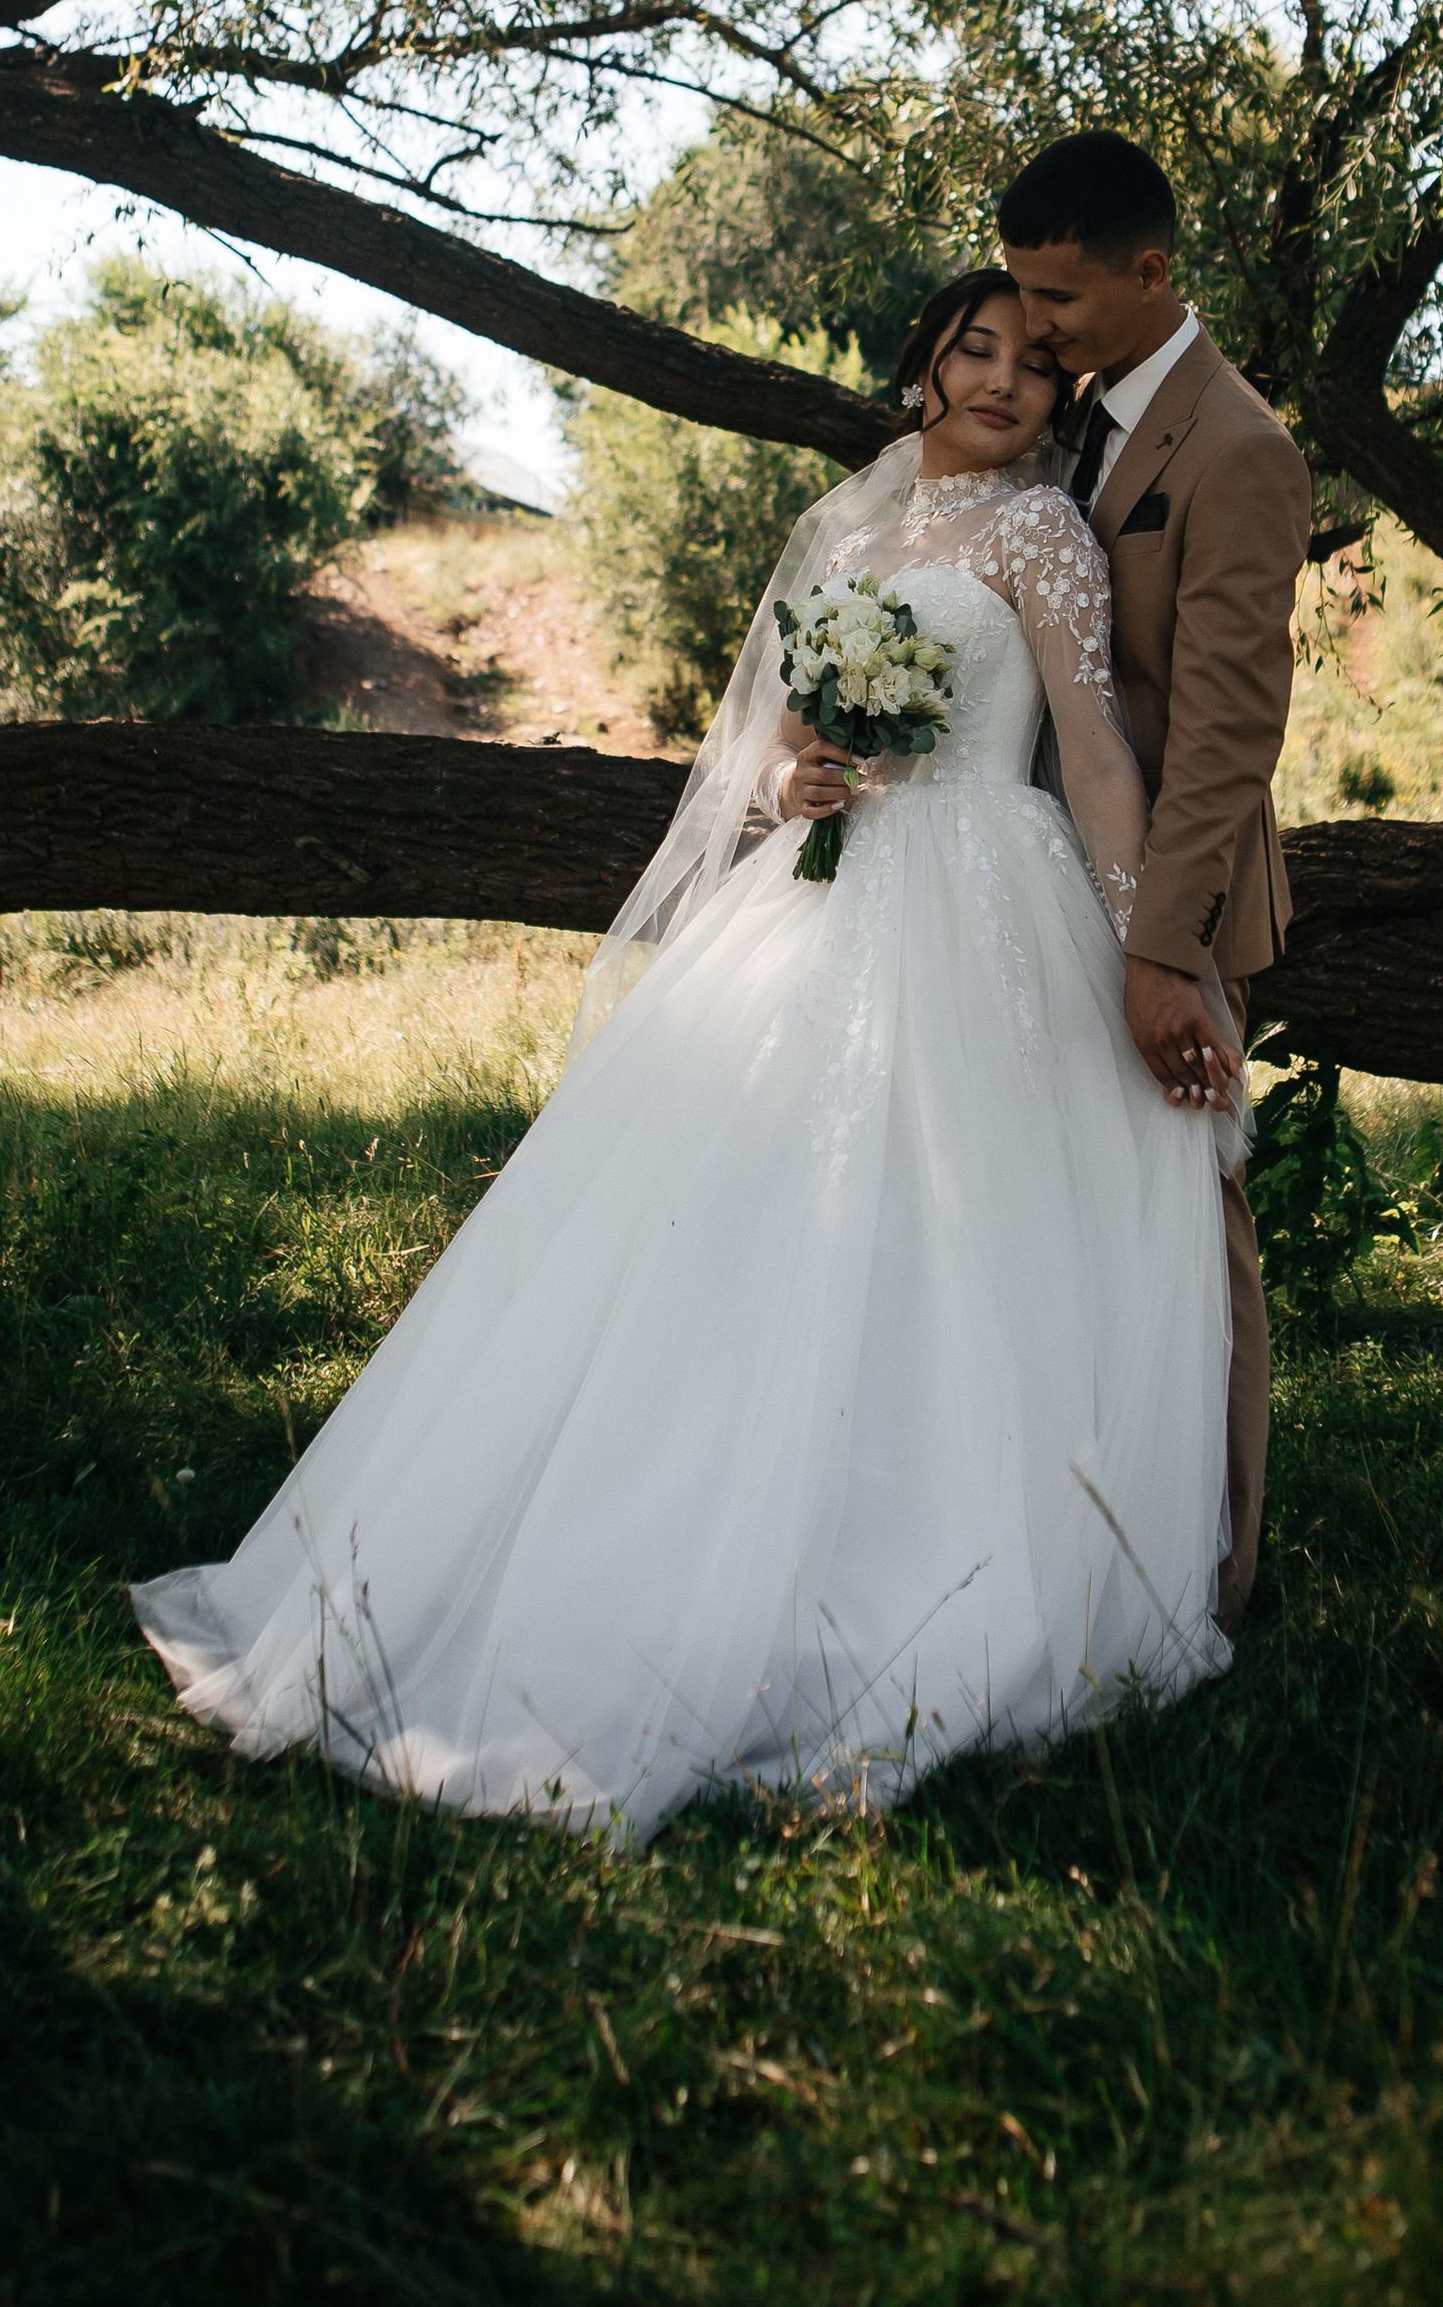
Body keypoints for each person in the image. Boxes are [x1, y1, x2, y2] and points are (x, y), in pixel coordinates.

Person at [133, 269, 1238, 1836]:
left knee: (965, 1243)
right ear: (922, 364)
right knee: (730, 1227)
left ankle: (933, 1559)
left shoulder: (1038, 537)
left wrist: (1156, 951)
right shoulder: (847, 539)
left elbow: (1100, 754)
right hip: (818, 906)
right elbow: (782, 749)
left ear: (1063, 399)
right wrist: (799, 789)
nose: (1003, 382)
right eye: (973, 350)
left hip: (991, 901)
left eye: (1037, 366)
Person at [998, 134, 1311, 1621]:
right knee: (1061, 1212)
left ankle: (1218, 1571)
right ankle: (1063, 1539)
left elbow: (1233, 728)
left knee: (1195, 1223)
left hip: (1165, 909)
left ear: (1151, 273)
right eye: (1016, 293)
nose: (1034, 324)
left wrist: (1160, 952)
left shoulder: (1239, 448)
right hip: (1020, 885)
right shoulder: (1067, 420)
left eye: (1058, 295)